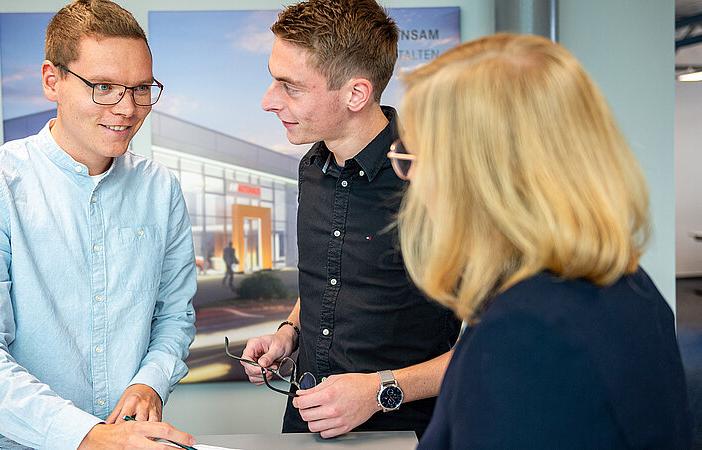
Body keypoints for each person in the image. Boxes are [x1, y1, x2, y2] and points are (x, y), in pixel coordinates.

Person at [388, 33, 693, 448]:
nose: (414, 181)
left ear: (478, 178)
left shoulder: (526, 338)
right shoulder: (629, 286)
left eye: (415, 157)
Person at [0, 1, 197, 448]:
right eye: (103, 86)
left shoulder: (161, 189)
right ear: (51, 81)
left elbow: (173, 317)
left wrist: (149, 383)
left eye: (140, 89)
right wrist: (86, 437)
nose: (127, 108)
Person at [239, 0, 460, 439]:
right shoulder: (312, 166)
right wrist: (290, 332)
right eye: (272, 80)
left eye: (290, 86)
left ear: (356, 94)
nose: (268, 101)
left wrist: (378, 390)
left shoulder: (438, 178)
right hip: (306, 423)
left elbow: (490, 342)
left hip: (408, 432)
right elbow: (332, 278)